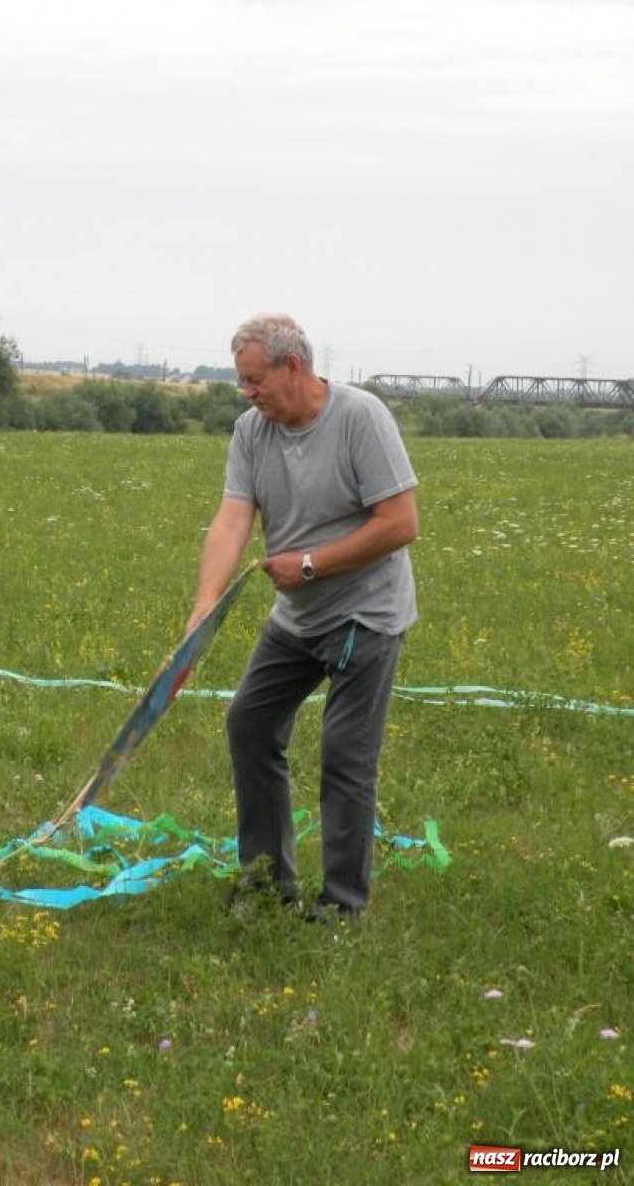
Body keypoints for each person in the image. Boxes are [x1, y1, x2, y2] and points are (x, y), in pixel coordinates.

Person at [186, 314, 419, 922]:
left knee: (345, 754)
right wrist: (204, 606)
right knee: (250, 724)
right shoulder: (251, 431)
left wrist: (311, 565)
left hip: (364, 615)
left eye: (255, 379)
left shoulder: (360, 419)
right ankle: (267, 884)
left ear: (294, 366)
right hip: (296, 616)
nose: (248, 393)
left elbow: (401, 524)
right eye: (242, 382)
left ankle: (341, 907)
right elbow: (234, 517)